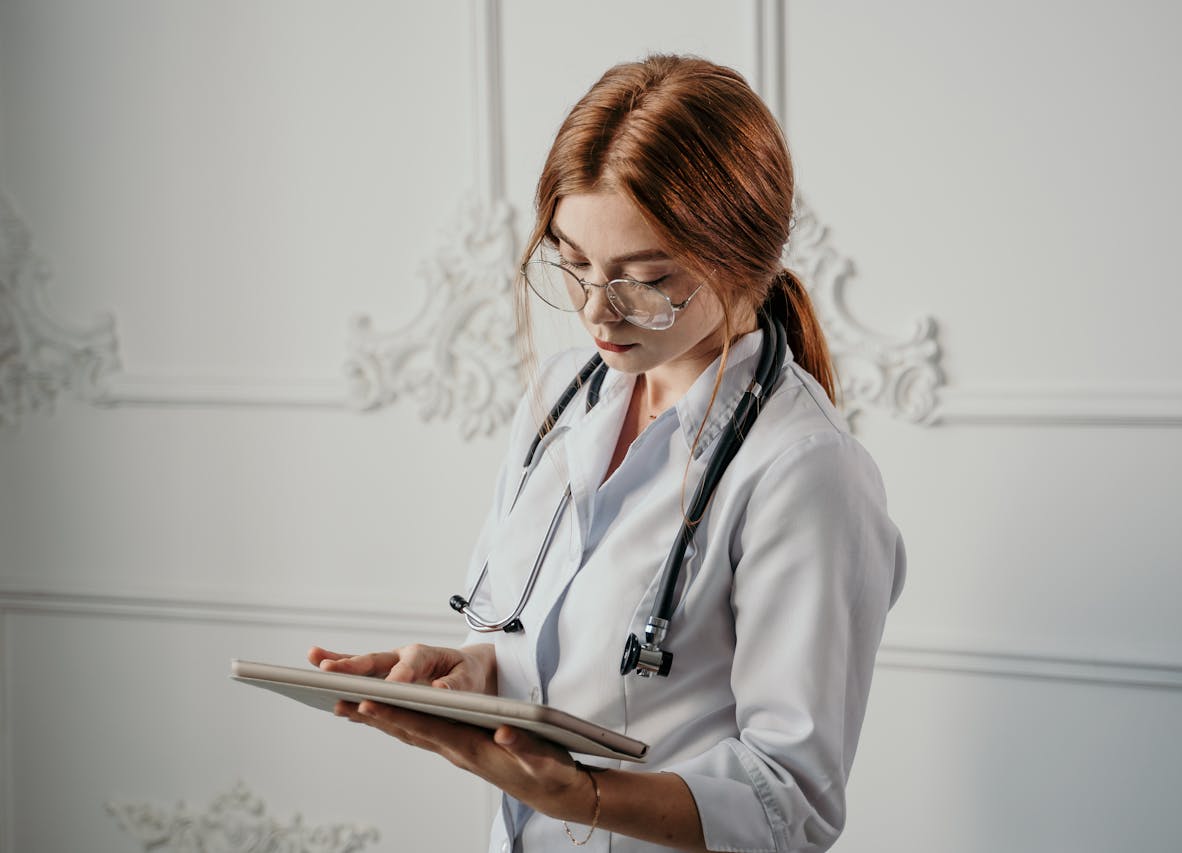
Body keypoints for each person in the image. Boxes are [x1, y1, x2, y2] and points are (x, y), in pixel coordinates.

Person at [308, 54, 906, 853]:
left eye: (645, 278)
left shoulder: (805, 471)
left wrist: (584, 794)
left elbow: (789, 805)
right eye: (575, 261)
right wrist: (476, 679)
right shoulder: (561, 395)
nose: (596, 310)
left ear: (743, 258)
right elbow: (557, 648)